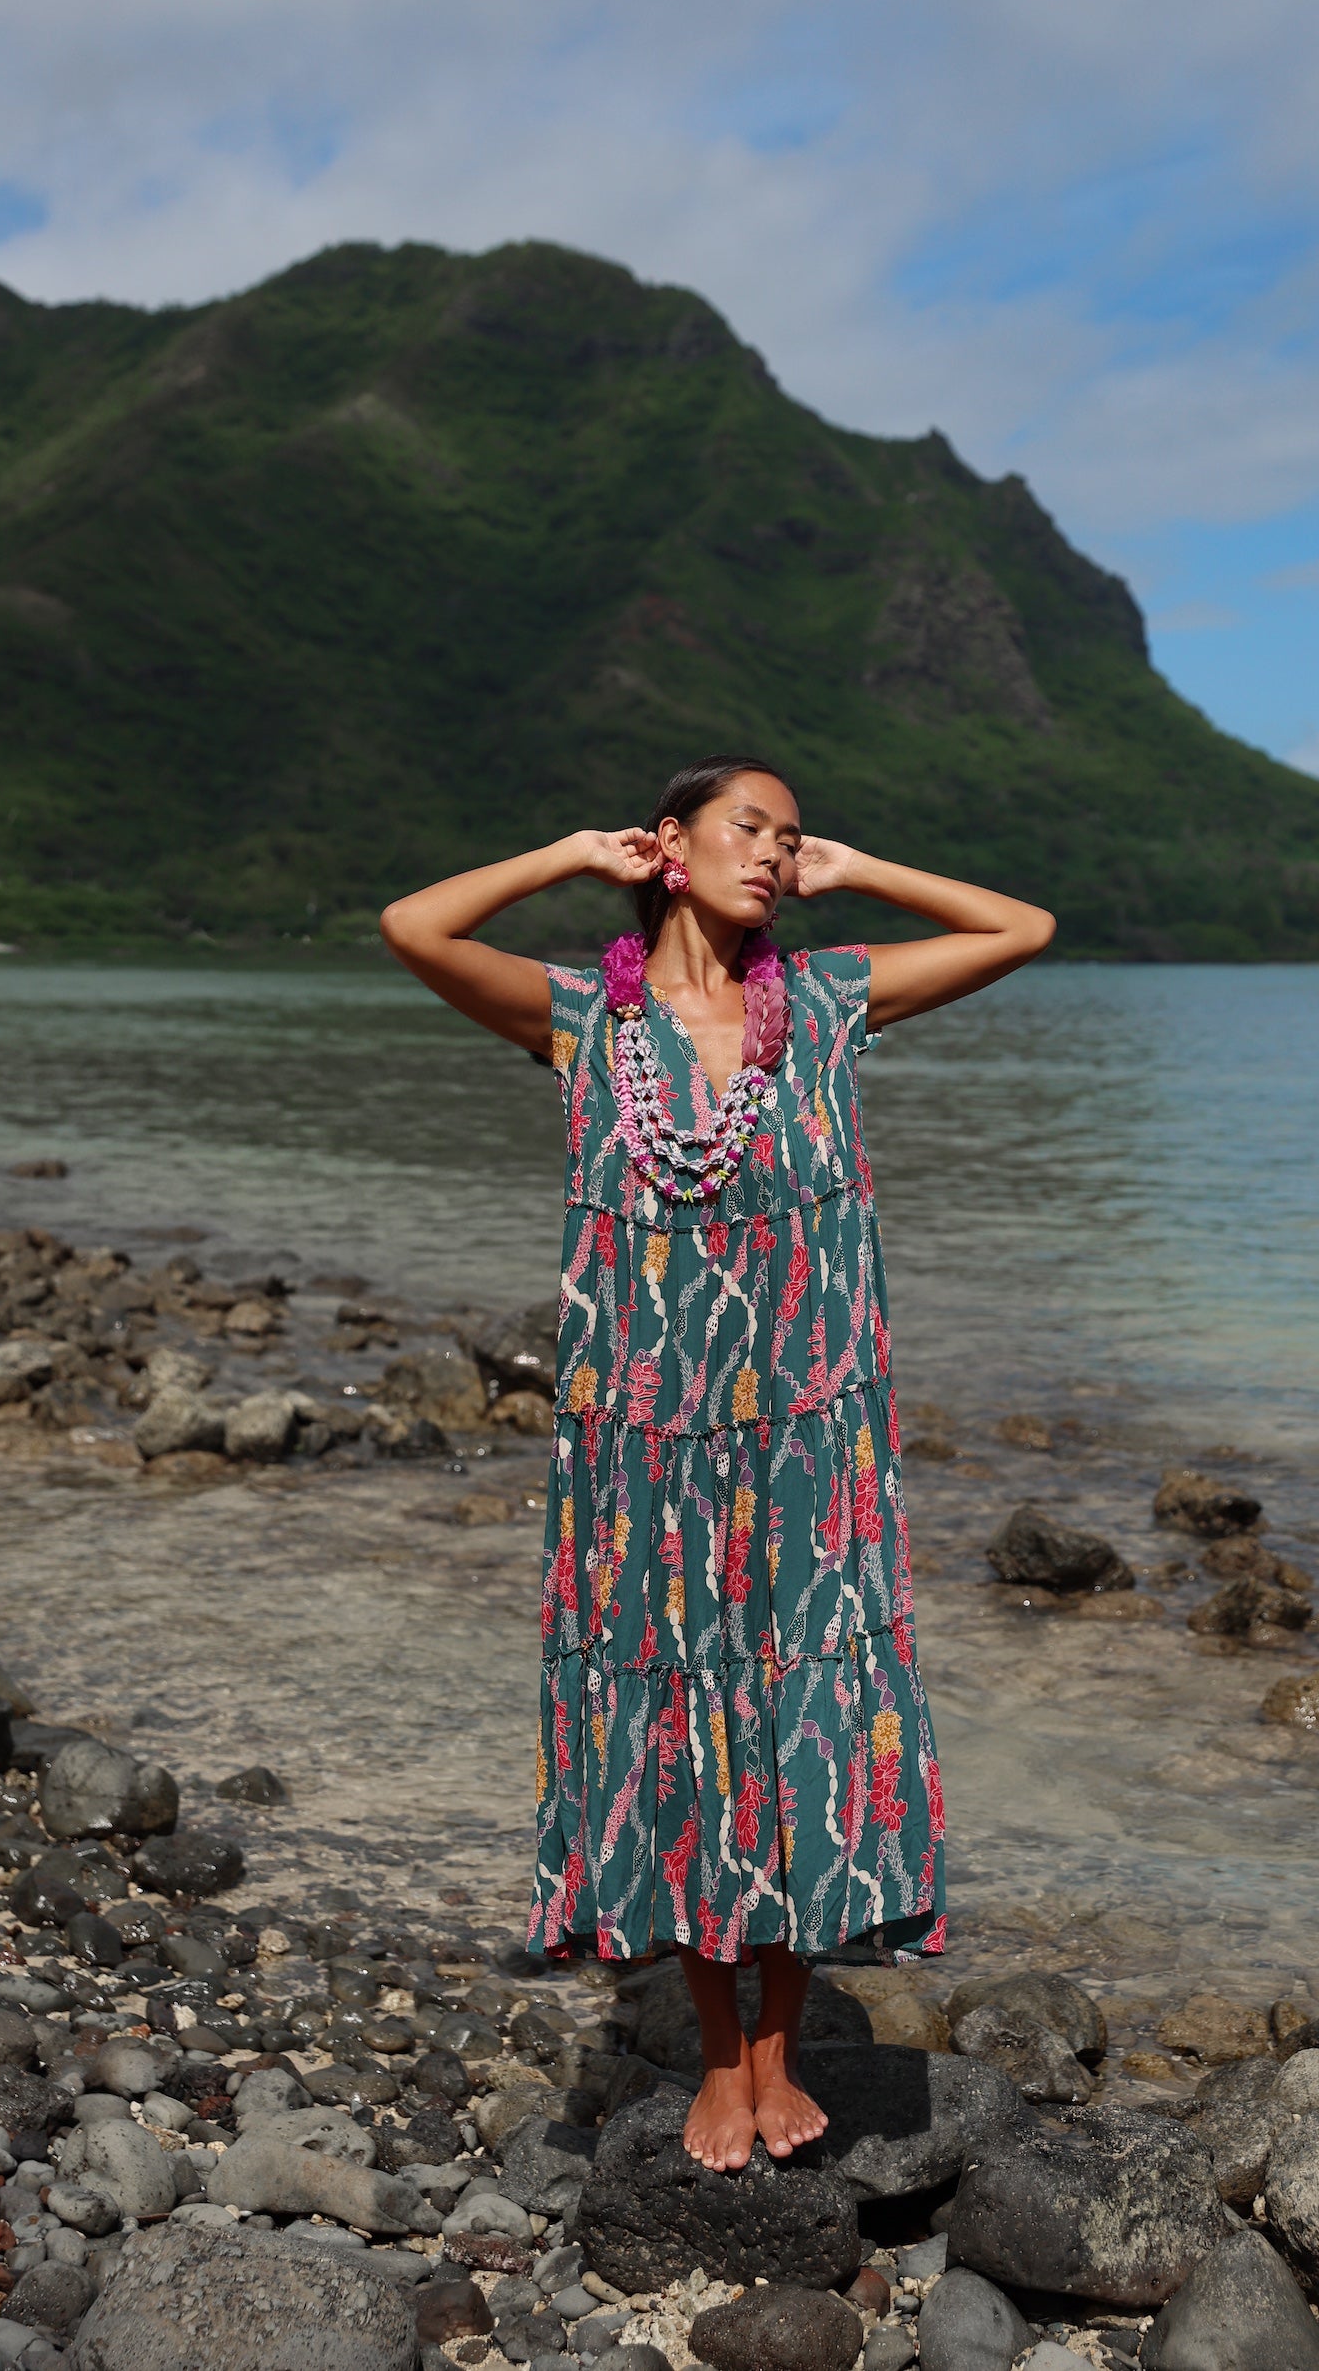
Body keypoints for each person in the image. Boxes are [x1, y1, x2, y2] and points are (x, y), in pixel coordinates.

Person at [381, 754, 1055, 2172]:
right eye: (752, 828)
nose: (776, 851)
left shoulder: (821, 1004)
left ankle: (779, 2053)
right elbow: (414, 929)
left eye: (790, 836)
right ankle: (711, 2055)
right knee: (674, 1726)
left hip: (811, 1435)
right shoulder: (582, 1023)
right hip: (643, 1450)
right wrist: (566, 854)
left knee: (805, 1721)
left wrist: (857, 870)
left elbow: (1022, 930)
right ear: (672, 845)